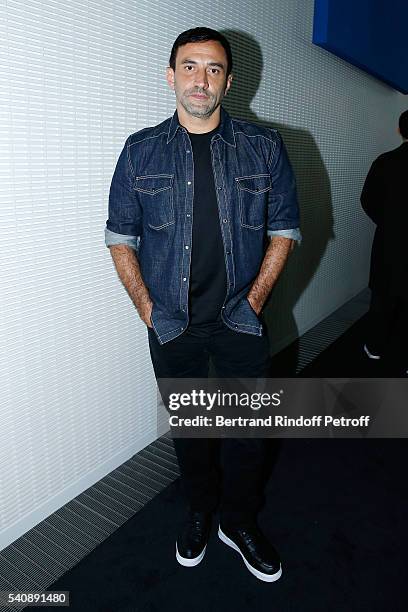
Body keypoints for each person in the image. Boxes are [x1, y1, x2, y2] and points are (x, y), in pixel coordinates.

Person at [105, 27, 301, 582]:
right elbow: (121, 237)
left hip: (240, 318)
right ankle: (199, 510)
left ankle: (237, 521)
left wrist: (256, 299)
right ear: (171, 76)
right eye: (190, 66)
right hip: (172, 324)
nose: (201, 78)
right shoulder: (140, 150)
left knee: (247, 433)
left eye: (213, 69)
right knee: (191, 430)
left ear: (229, 81)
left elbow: (284, 229)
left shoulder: (264, 147)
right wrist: (148, 309)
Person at [360, 110, 408, 375]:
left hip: (389, 243)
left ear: (399, 131)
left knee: (382, 297)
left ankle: (375, 348)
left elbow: (367, 199)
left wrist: (389, 223)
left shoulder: (385, 161)